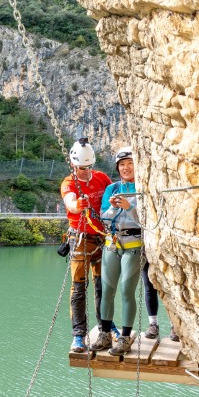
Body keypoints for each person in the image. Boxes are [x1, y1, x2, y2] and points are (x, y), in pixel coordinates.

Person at [62, 138, 113, 353]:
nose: (84, 171)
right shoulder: (69, 183)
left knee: (103, 286)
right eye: (81, 168)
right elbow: (70, 203)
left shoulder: (101, 178)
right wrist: (77, 205)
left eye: (88, 167)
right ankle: (78, 335)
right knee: (78, 289)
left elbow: (113, 193)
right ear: (74, 165)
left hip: (102, 238)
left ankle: (105, 328)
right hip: (80, 239)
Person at [97, 146, 144, 355]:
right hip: (112, 243)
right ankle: (105, 333)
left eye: (130, 164)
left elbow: (147, 222)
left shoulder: (143, 188)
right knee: (107, 290)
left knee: (126, 291)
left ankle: (125, 337)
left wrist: (128, 207)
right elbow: (103, 217)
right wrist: (114, 207)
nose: (126, 168)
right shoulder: (113, 188)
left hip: (133, 244)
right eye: (122, 165)